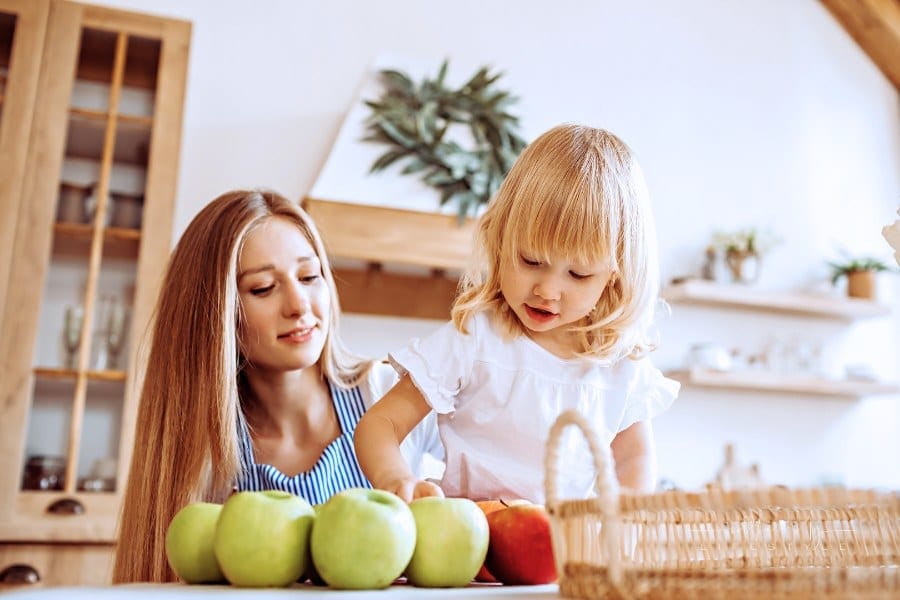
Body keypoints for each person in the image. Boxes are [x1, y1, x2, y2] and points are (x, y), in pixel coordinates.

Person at [113, 190, 441, 583]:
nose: (299, 305)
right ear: (215, 315)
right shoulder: (206, 452)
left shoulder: (391, 394)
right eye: (264, 288)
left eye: (309, 276)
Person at [355, 124, 678, 504]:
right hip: (470, 544)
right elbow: (381, 423)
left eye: (578, 274)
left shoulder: (619, 366)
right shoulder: (475, 337)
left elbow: (633, 458)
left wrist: (623, 522)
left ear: (613, 276)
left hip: (558, 553)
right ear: (500, 239)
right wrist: (396, 479)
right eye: (530, 260)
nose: (547, 291)